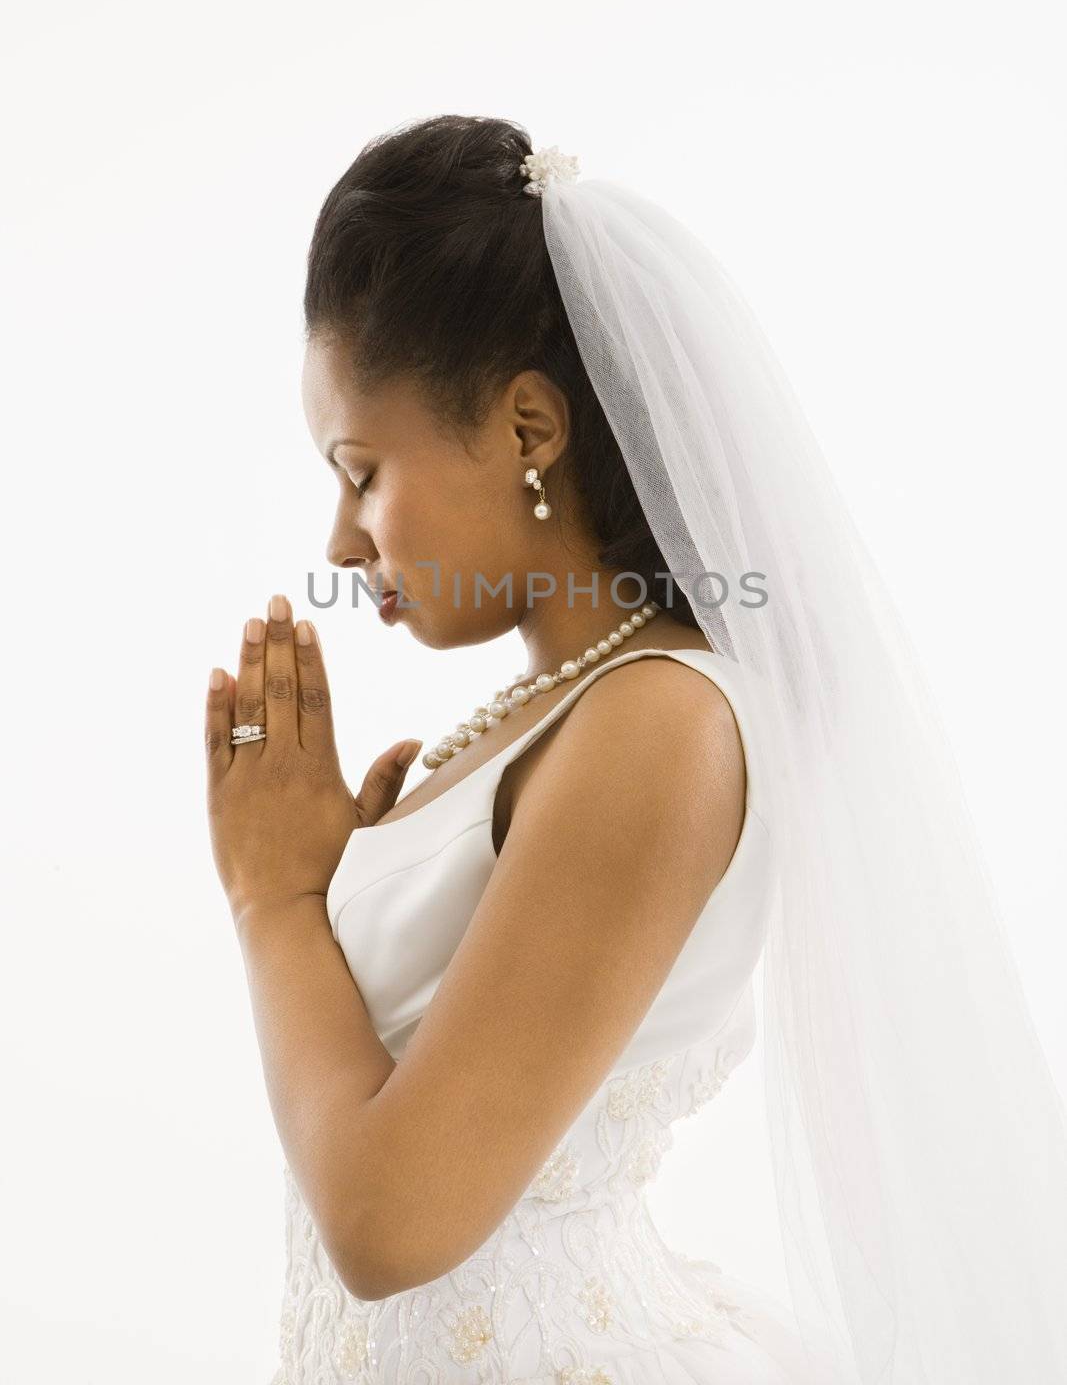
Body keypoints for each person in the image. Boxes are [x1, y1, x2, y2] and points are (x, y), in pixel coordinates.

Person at [205, 115, 1067, 1384]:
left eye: (362, 470)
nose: (341, 543)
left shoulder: (658, 725)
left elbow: (391, 1225)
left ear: (529, 431)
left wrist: (275, 897)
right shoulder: (549, 710)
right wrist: (328, 886)